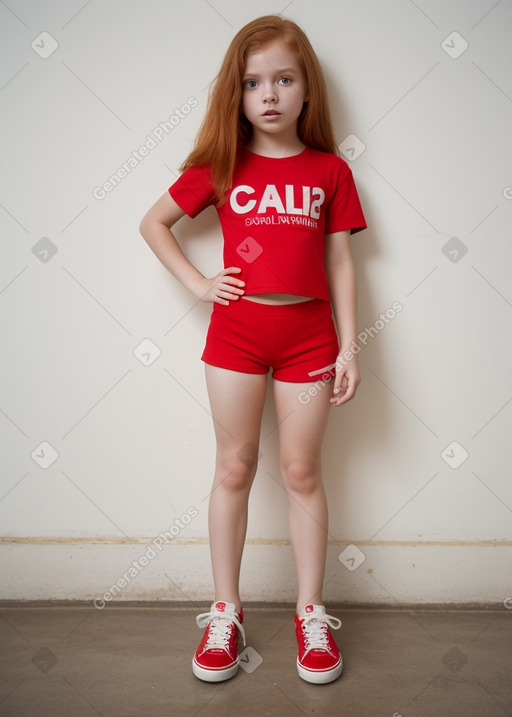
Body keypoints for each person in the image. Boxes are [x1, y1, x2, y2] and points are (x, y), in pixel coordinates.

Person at [139, 14, 367, 685]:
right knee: (234, 465)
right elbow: (153, 223)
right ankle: (226, 611)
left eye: (283, 79)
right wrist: (200, 283)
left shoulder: (329, 170)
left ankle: (311, 612)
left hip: (310, 339)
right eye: (252, 83)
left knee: (302, 471)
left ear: (305, 90)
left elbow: (343, 263)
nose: (268, 94)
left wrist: (351, 347)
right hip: (235, 335)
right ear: (236, 96)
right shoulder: (222, 164)